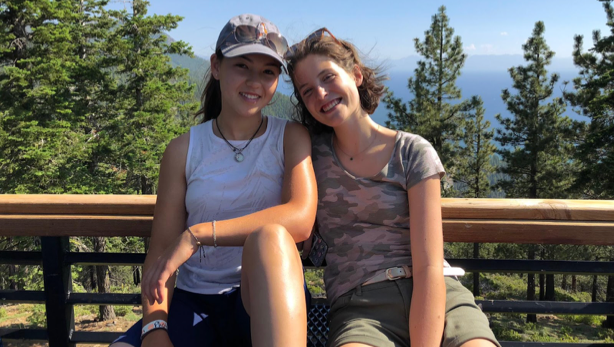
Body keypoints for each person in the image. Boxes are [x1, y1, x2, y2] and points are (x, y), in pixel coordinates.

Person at [110, 14, 317, 347]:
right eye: (242, 67)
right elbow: (162, 253)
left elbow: (300, 218)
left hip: (265, 298)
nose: (254, 82)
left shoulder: (291, 138)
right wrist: (154, 326)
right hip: (194, 301)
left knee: (272, 239)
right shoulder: (182, 150)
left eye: (268, 72)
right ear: (217, 67)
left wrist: (200, 234)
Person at [285, 28, 500, 347]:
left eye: (328, 77)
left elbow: (428, 264)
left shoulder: (413, 152)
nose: (320, 94)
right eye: (307, 91)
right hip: (361, 309)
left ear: (355, 75)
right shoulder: (309, 159)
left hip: (439, 295)